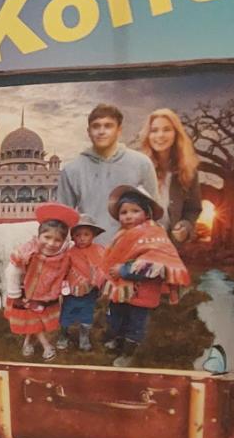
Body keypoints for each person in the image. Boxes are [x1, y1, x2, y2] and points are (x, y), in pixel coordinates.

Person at [100, 184, 189, 366]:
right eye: (124, 212)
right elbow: (113, 256)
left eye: (135, 210)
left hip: (142, 290)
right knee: (116, 316)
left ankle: (128, 353)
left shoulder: (154, 234)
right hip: (121, 289)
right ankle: (118, 339)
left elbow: (153, 264)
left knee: (136, 322)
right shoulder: (121, 235)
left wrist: (123, 270)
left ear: (146, 213)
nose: (129, 215)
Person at [54, 103, 152, 229]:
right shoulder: (72, 170)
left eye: (108, 126)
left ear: (119, 130)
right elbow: (62, 219)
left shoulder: (142, 163)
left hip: (133, 246)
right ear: (88, 132)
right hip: (89, 245)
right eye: (96, 126)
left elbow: (155, 215)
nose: (101, 131)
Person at [3, 201, 77, 362]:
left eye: (57, 240)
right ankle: (47, 346)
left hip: (48, 293)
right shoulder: (28, 251)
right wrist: (15, 292)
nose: (51, 244)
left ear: (64, 241)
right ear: (39, 236)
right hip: (26, 292)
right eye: (47, 237)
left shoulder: (66, 253)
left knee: (35, 321)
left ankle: (27, 342)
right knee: (34, 319)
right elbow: (12, 271)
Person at [138, 107, 203, 244]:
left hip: (170, 247)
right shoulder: (137, 167)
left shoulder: (189, 170)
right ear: (148, 136)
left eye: (167, 129)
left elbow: (193, 209)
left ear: (176, 134)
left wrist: (185, 226)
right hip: (139, 245)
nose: (160, 135)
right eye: (154, 130)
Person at [57, 215, 106, 353]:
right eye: (78, 235)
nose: (82, 238)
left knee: (86, 315)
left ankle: (84, 337)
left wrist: (98, 281)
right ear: (72, 237)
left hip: (90, 291)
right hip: (71, 291)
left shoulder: (99, 250)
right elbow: (62, 270)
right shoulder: (69, 253)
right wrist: (61, 285)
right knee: (67, 313)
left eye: (86, 234)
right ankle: (63, 335)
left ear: (93, 235)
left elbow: (103, 268)